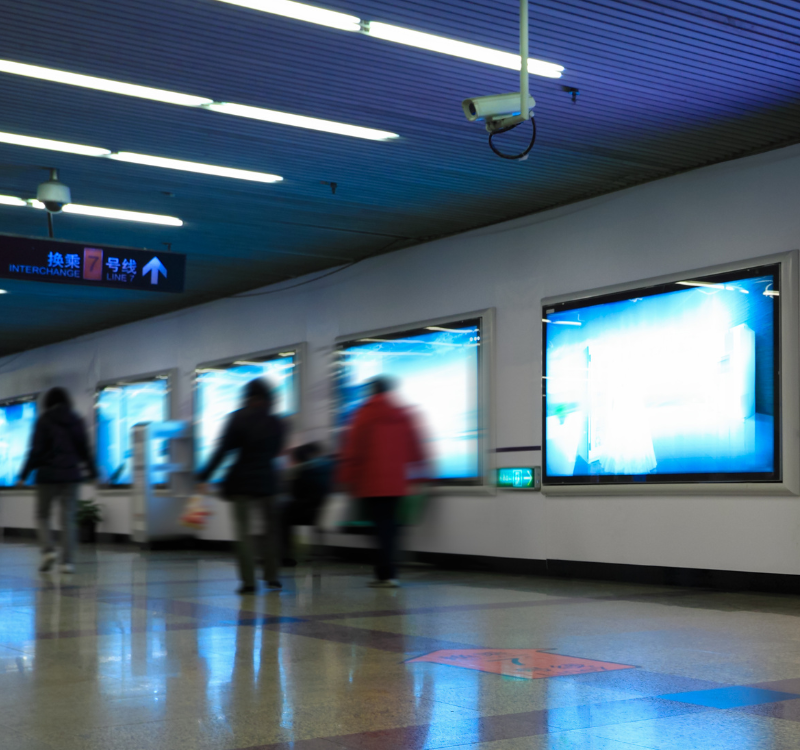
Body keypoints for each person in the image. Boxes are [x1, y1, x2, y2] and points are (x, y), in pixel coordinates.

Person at [196, 378, 286, 595]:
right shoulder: (277, 422)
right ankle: (272, 577)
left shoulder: (238, 418)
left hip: (242, 482)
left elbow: (222, 451)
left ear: (248, 396)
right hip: (268, 481)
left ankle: (249, 582)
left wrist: (204, 476)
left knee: (243, 533)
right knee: (271, 531)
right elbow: (276, 451)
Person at [337, 377, 428, 588]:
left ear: (372, 391)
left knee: (379, 530)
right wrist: (422, 475)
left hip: (371, 484)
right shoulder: (403, 414)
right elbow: (416, 447)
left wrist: (345, 478)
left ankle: (385, 574)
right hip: (396, 484)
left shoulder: (363, 413)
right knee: (391, 528)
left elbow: (353, 450)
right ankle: (389, 573)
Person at [18, 387, 97, 574]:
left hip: (47, 476)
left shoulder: (44, 420)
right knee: (68, 519)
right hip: (71, 476)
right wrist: (93, 473)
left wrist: (23, 475)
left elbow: (35, 451)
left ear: (48, 402)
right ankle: (66, 563)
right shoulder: (76, 420)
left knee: (42, 515)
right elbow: (84, 449)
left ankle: (48, 551)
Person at [280, 442, 332, 566]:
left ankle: (285, 556)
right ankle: (319, 552)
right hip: (324, 512)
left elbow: (295, 494)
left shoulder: (302, 471)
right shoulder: (328, 467)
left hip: (308, 514)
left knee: (282, 515)